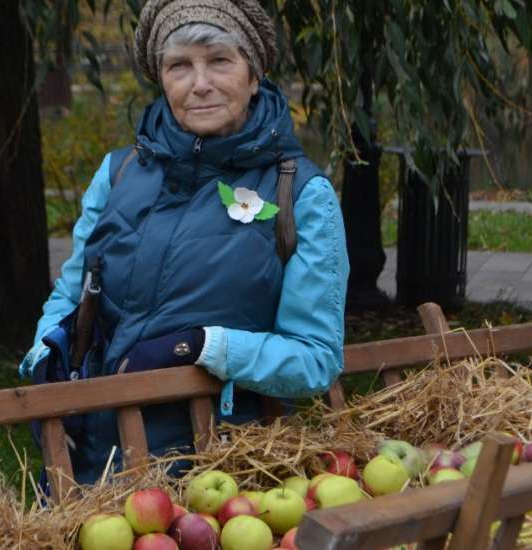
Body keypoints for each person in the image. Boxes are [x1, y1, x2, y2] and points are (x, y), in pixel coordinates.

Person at [20, 0, 349, 485]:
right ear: (161, 78)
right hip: (91, 464)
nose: (200, 83)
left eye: (219, 60)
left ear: (254, 74)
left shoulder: (301, 194)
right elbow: (71, 295)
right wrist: (46, 357)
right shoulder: (119, 173)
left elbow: (316, 357)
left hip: (215, 477)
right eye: (179, 66)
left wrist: (200, 346)